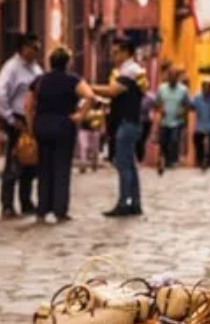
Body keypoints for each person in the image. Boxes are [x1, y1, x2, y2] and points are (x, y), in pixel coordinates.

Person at [24, 46, 94, 224]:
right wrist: (80, 115)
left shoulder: (39, 80)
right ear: (68, 63)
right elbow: (90, 96)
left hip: (42, 125)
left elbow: (28, 106)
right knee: (61, 168)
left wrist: (31, 128)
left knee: (44, 169)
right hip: (63, 126)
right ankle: (59, 210)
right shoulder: (72, 80)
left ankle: (42, 209)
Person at [92, 38, 147, 217]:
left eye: (116, 52)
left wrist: (88, 87)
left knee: (123, 165)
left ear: (126, 52)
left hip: (126, 123)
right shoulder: (132, 70)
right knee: (130, 165)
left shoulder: (129, 71)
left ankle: (124, 203)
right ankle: (135, 203)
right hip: (130, 122)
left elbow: (112, 91)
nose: (112, 56)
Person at [0, 32, 42, 219]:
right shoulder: (11, 68)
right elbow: (0, 94)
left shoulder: (36, 69)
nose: (36, 51)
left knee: (30, 162)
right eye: (34, 48)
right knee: (13, 163)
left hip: (32, 119)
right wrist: (10, 118)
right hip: (18, 119)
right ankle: (7, 205)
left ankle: (26, 202)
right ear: (23, 48)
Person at [155, 68, 192, 174]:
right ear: (168, 77)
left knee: (174, 140)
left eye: (174, 77)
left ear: (177, 78)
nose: (172, 79)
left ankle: (171, 160)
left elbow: (188, 105)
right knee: (163, 141)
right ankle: (164, 160)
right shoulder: (161, 88)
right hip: (164, 120)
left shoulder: (183, 90)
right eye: (170, 77)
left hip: (177, 121)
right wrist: (160, 109)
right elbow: (157, 102)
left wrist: (182, 112)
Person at [137, 88, 157, 162]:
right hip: (135, 121)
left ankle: (140, 158)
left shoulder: (150, 97)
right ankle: (139, 158)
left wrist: (153, 113)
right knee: (137, 139)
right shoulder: (134, 96)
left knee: (142, 140)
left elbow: (157, 107)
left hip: (146, 122)